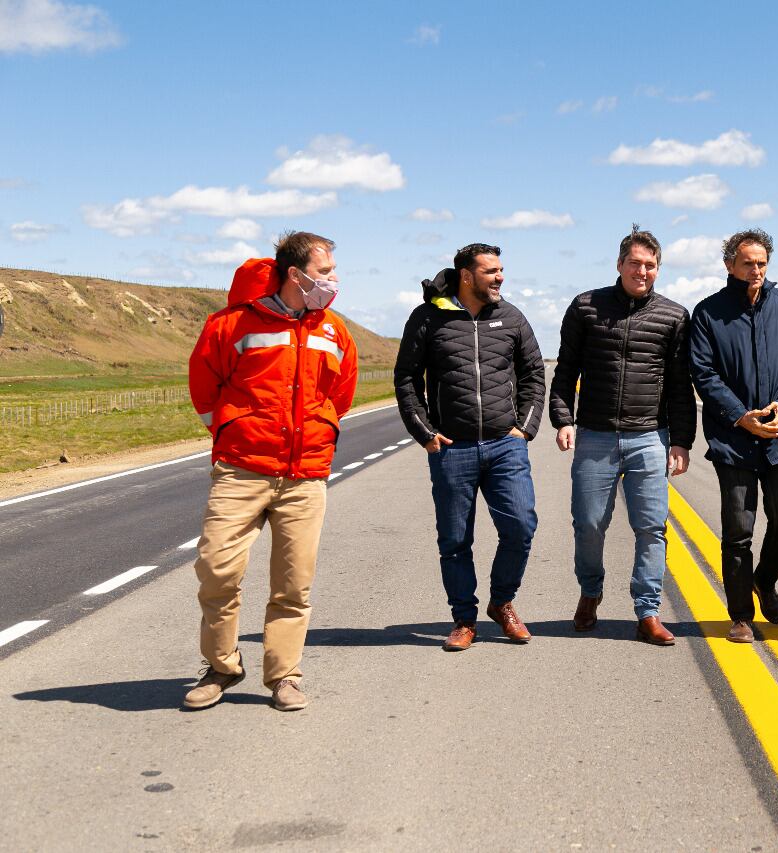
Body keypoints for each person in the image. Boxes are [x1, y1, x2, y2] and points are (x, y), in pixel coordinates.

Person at [185, 231, 358, 711]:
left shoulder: (334, 331)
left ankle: (284, 675)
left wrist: (317, 433)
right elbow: (205, 389)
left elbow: (339, 396)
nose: (333, 281)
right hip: (242, 471)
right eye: (324, 273)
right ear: (294, 274)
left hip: (305, 476)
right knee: (216, 568)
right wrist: (232, 432)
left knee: (293, 583)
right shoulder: (230, 325)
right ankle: (222, 666)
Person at [549, 225, 697, 645]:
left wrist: (681, 441)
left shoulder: (673, 316)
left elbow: (680, 386)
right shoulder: (585, 307)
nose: (642, 271)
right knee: (590, 524)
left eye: (650, 266)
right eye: (635, 263)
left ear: (658, 270)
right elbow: (565, 372)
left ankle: (647, 611)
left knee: (652, 527)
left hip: (650, 438)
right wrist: (563, 419)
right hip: (595, 437)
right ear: (619, 264)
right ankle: (590, 591)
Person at [394, 243, 545, 651]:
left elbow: (533, 373)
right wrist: (425, 432)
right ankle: (464, 619)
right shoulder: (428, 317)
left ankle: (502, 602)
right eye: (490, 271)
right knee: (455, 540)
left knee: (520, 526)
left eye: (500, 270)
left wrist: (525, 429)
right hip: (452, 448)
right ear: (466, 275)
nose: (499, 278)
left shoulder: (511, 316)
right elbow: (407, 378)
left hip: (504, 444)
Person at [688, 229, 778, 643]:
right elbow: (703, 373)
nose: (756, 270)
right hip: (734, 440)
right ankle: (741, 615)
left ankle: (765, 579)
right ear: (730, 265)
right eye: (748, 263)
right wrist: (740, 417)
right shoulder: (708, 313)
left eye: (762, 263)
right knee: (738, 531)